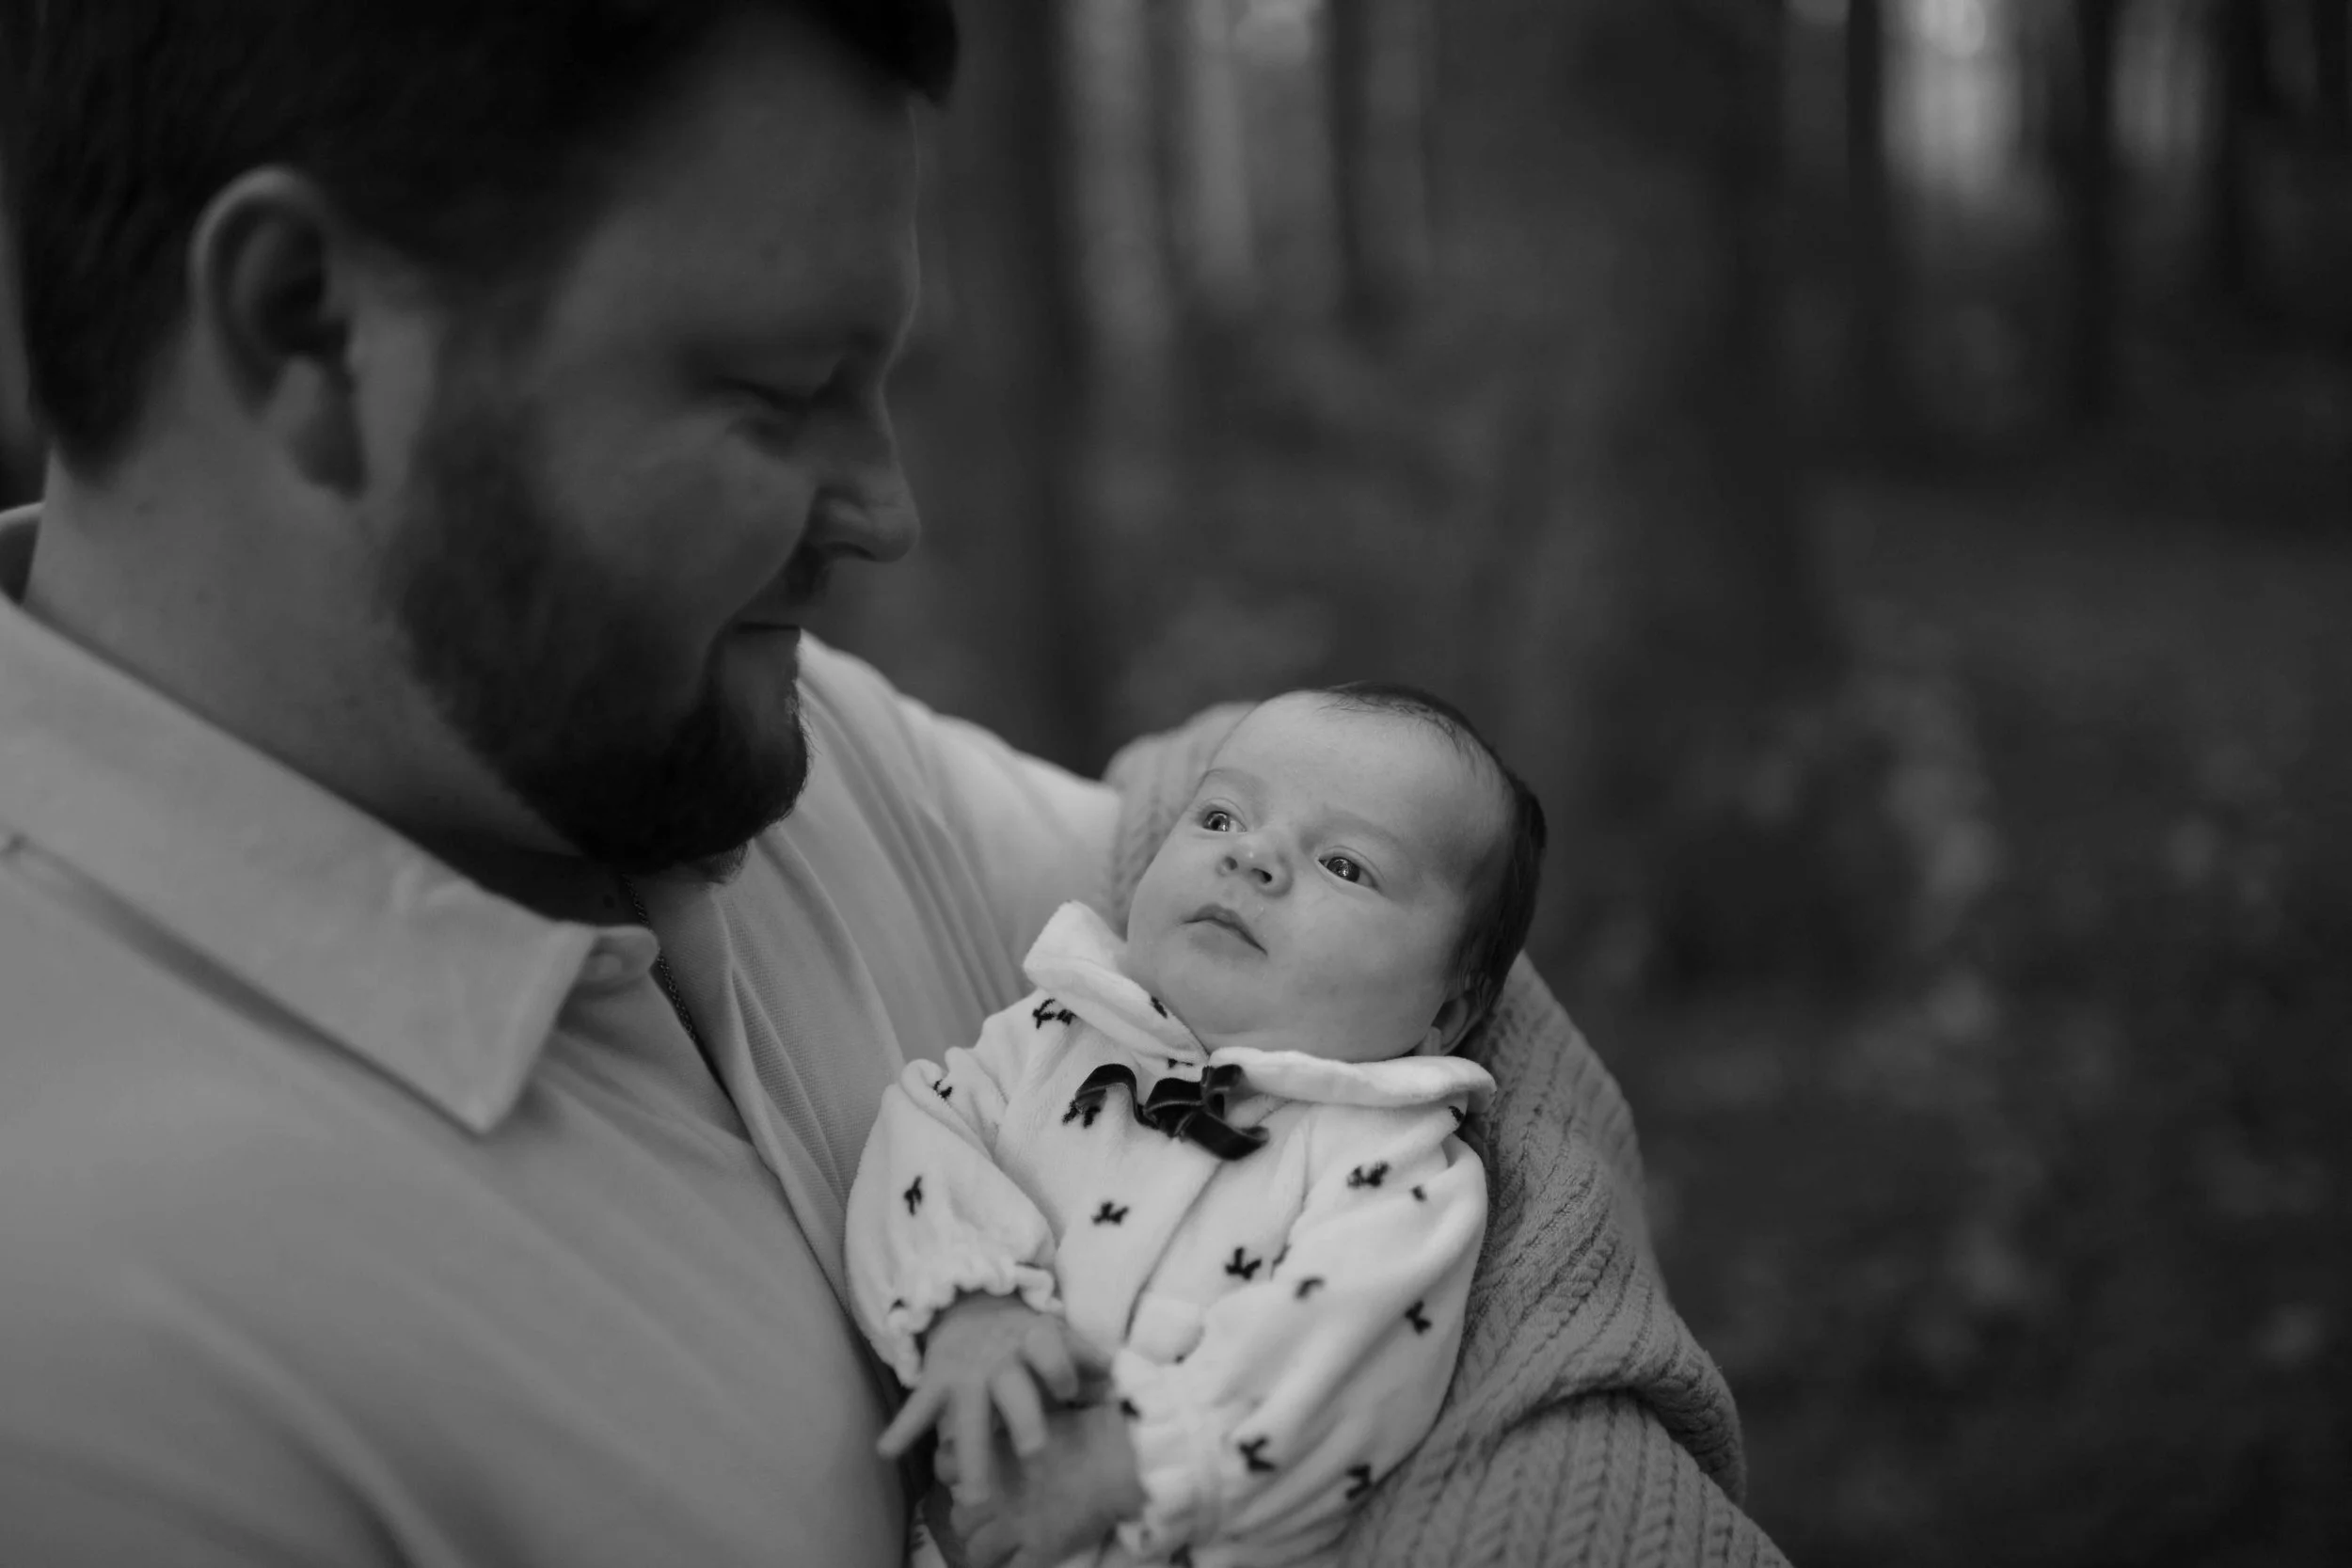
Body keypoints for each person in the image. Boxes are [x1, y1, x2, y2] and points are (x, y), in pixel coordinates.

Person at [0, 3, 1788, 1565]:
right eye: (778, 396)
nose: (884, 511)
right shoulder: (92, 1378)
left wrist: (1543, 1473)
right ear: (310, 328)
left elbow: (1384, 949)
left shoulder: (735, 730)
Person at [849, 687, 1542, 1568]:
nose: (1252, 856)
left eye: (1345, 865)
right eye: (1219, 817)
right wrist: (969, 1303)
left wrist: (1138, 1459)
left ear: (1446, 1010)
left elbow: (1344, 1342)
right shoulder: (1051, 1035)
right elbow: (923, 1131)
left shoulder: (1391, 1158)